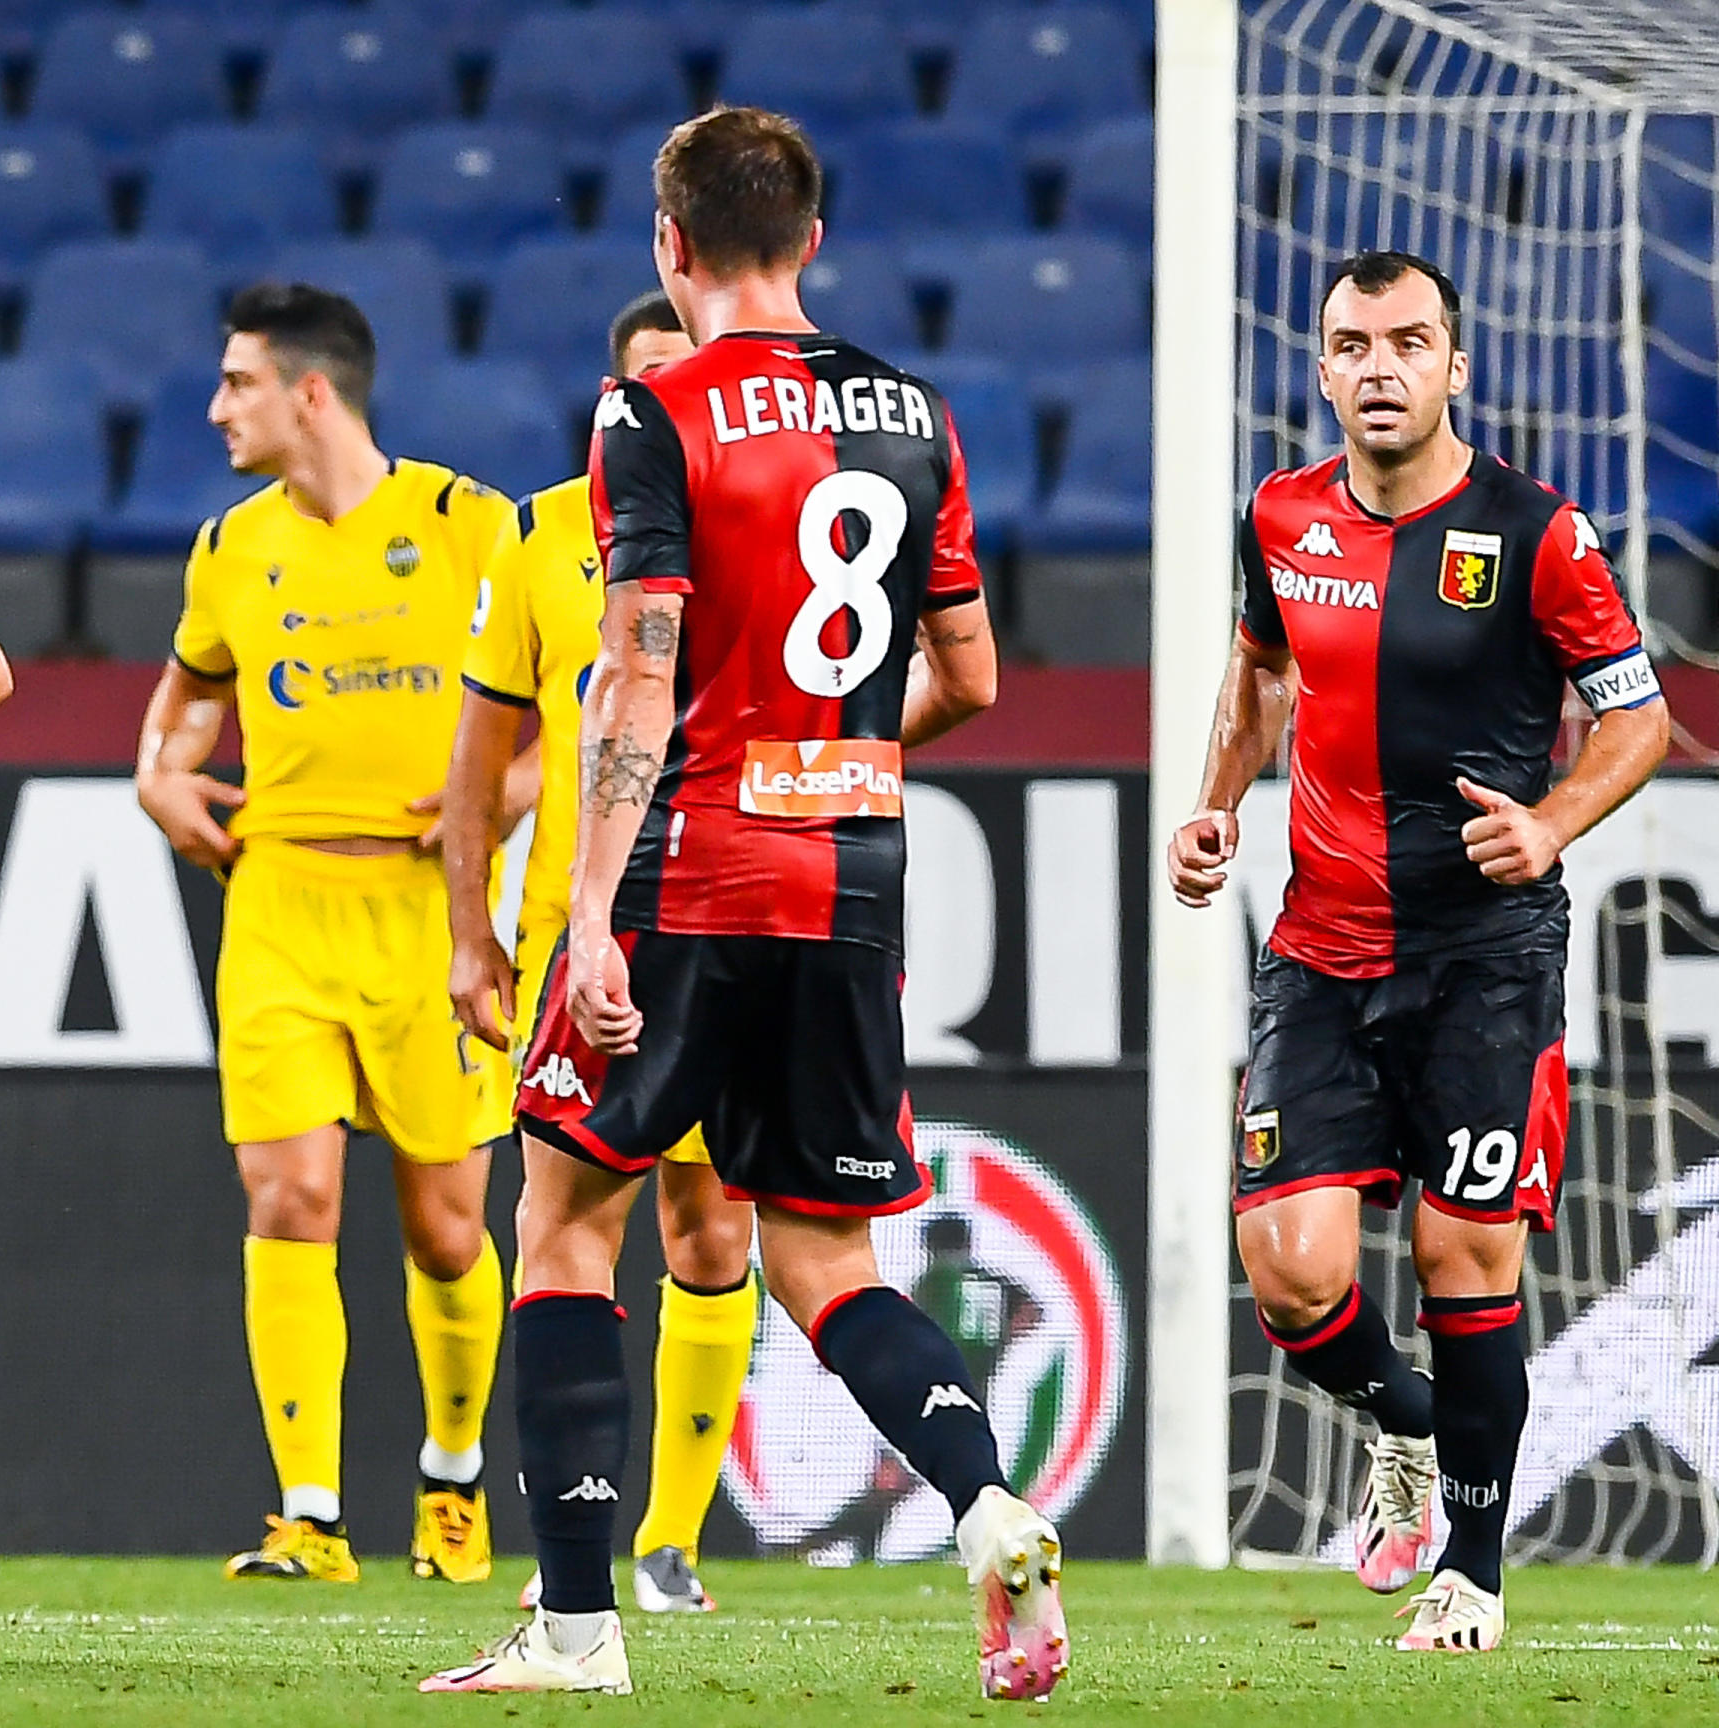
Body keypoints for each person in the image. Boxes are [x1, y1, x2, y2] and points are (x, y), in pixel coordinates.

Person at [424, 107, 1049, 1701]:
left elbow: (639, 669)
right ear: (814, 241)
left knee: (563, 1227)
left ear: (670, 248)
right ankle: (987, 1507)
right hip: (854, 869)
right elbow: (970, 675)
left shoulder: (653, 408)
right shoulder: (919, 417)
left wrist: (582, 904)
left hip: (692, 866)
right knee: (828, 1262)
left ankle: (575, 1630)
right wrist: (822, 752)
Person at [1166, 249, 1668, 1653]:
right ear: (1319, 368)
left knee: (1462, 1253)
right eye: (1351, 344)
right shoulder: (1277, 518)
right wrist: (1213, 814)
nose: (1380, 367)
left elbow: (1634, 714)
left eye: (1409, 341)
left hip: (1486, 956)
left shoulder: (1535, 531)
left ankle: (1474, 1574)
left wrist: (1557, 819)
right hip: (1321, 944)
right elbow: (1257, 669)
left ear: (1456, 363)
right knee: (1292, 1270)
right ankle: (1406, 1427)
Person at [133, 283, 515, 1587]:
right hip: (283, 902)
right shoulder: (230, 547)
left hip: (430, 917)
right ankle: (308, 1515)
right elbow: (181, 709)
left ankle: (452, 1484)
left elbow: (561, 717)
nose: (214, 406)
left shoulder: (470, 526)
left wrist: (494, 801)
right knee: (288, 1196)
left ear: (310, 392)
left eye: (236, 383)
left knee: (448, 1231)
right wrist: (160, 779)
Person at [444, 291, 758, 1619]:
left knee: (713, 1221)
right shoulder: (539, 538)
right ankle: (570, 1537)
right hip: (586, 933)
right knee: (569, 1218)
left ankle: (671, 1545)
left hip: (730, 916)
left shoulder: (767, 531)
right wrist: (470, 929)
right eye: (648, 383)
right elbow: (481, 760)